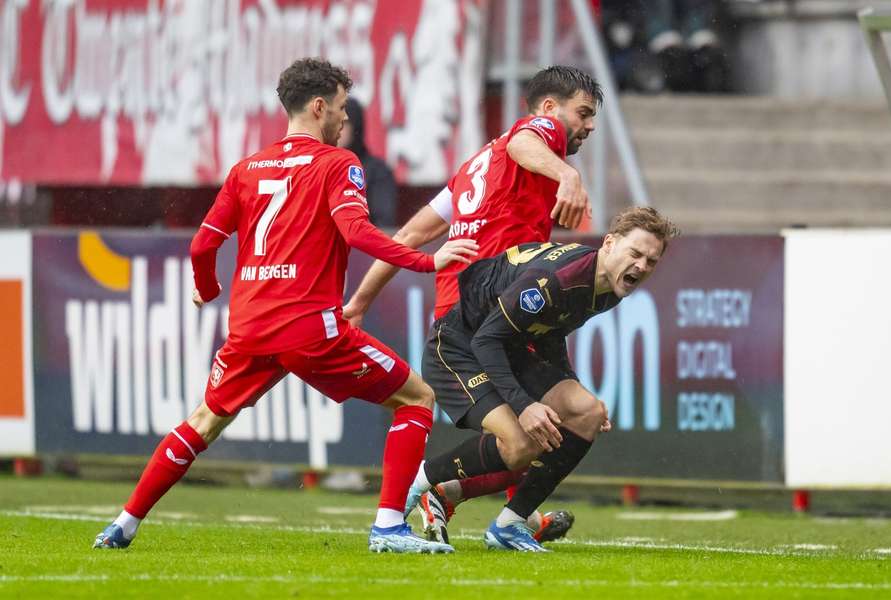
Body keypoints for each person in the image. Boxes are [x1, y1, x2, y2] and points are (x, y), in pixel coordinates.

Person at [92, 58, 477, 554]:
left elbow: (202, 246)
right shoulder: (339, 164)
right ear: (319, 107)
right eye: (340, 108)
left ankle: (123, 524)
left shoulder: (247, 169)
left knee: (203, 423)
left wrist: (207, 290)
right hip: (309, 328)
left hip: (250, 328)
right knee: (416, 398)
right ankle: (387, 528)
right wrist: (429, 261)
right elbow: (357, 232)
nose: (344, 120)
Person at [343, 65, 602, 544]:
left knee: (572, 418)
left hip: (507, 320)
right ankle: (422, 491)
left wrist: (358, 302)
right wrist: (567, 174)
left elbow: (408, 236)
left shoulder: (473, 171)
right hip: (467, 326)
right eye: (583, 113)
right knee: (522, 439)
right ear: (549, 109)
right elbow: (527, 140)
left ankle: (498, 513)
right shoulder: (539, 136)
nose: (588, 126)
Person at [406, 207, 678, 551]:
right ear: (609, 243)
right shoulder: (555, 280)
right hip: (459, 346)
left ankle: (509, 524)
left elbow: (550, 333)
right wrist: (524, 406)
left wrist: (571, 385)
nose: (641, 266)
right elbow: (486, 339)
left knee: (587, 412)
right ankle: (420, 480)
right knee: (521, 444)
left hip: (507, 347)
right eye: (635, 253)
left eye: (651, 261)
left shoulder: (609, 284)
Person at [338, 97, 397, 227]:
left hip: (362, 244)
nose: (337, 129)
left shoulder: (378, 171)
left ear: (356, 127)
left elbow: (384, 223)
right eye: (332, 122)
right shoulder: (318, 166)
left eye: (343, 123)